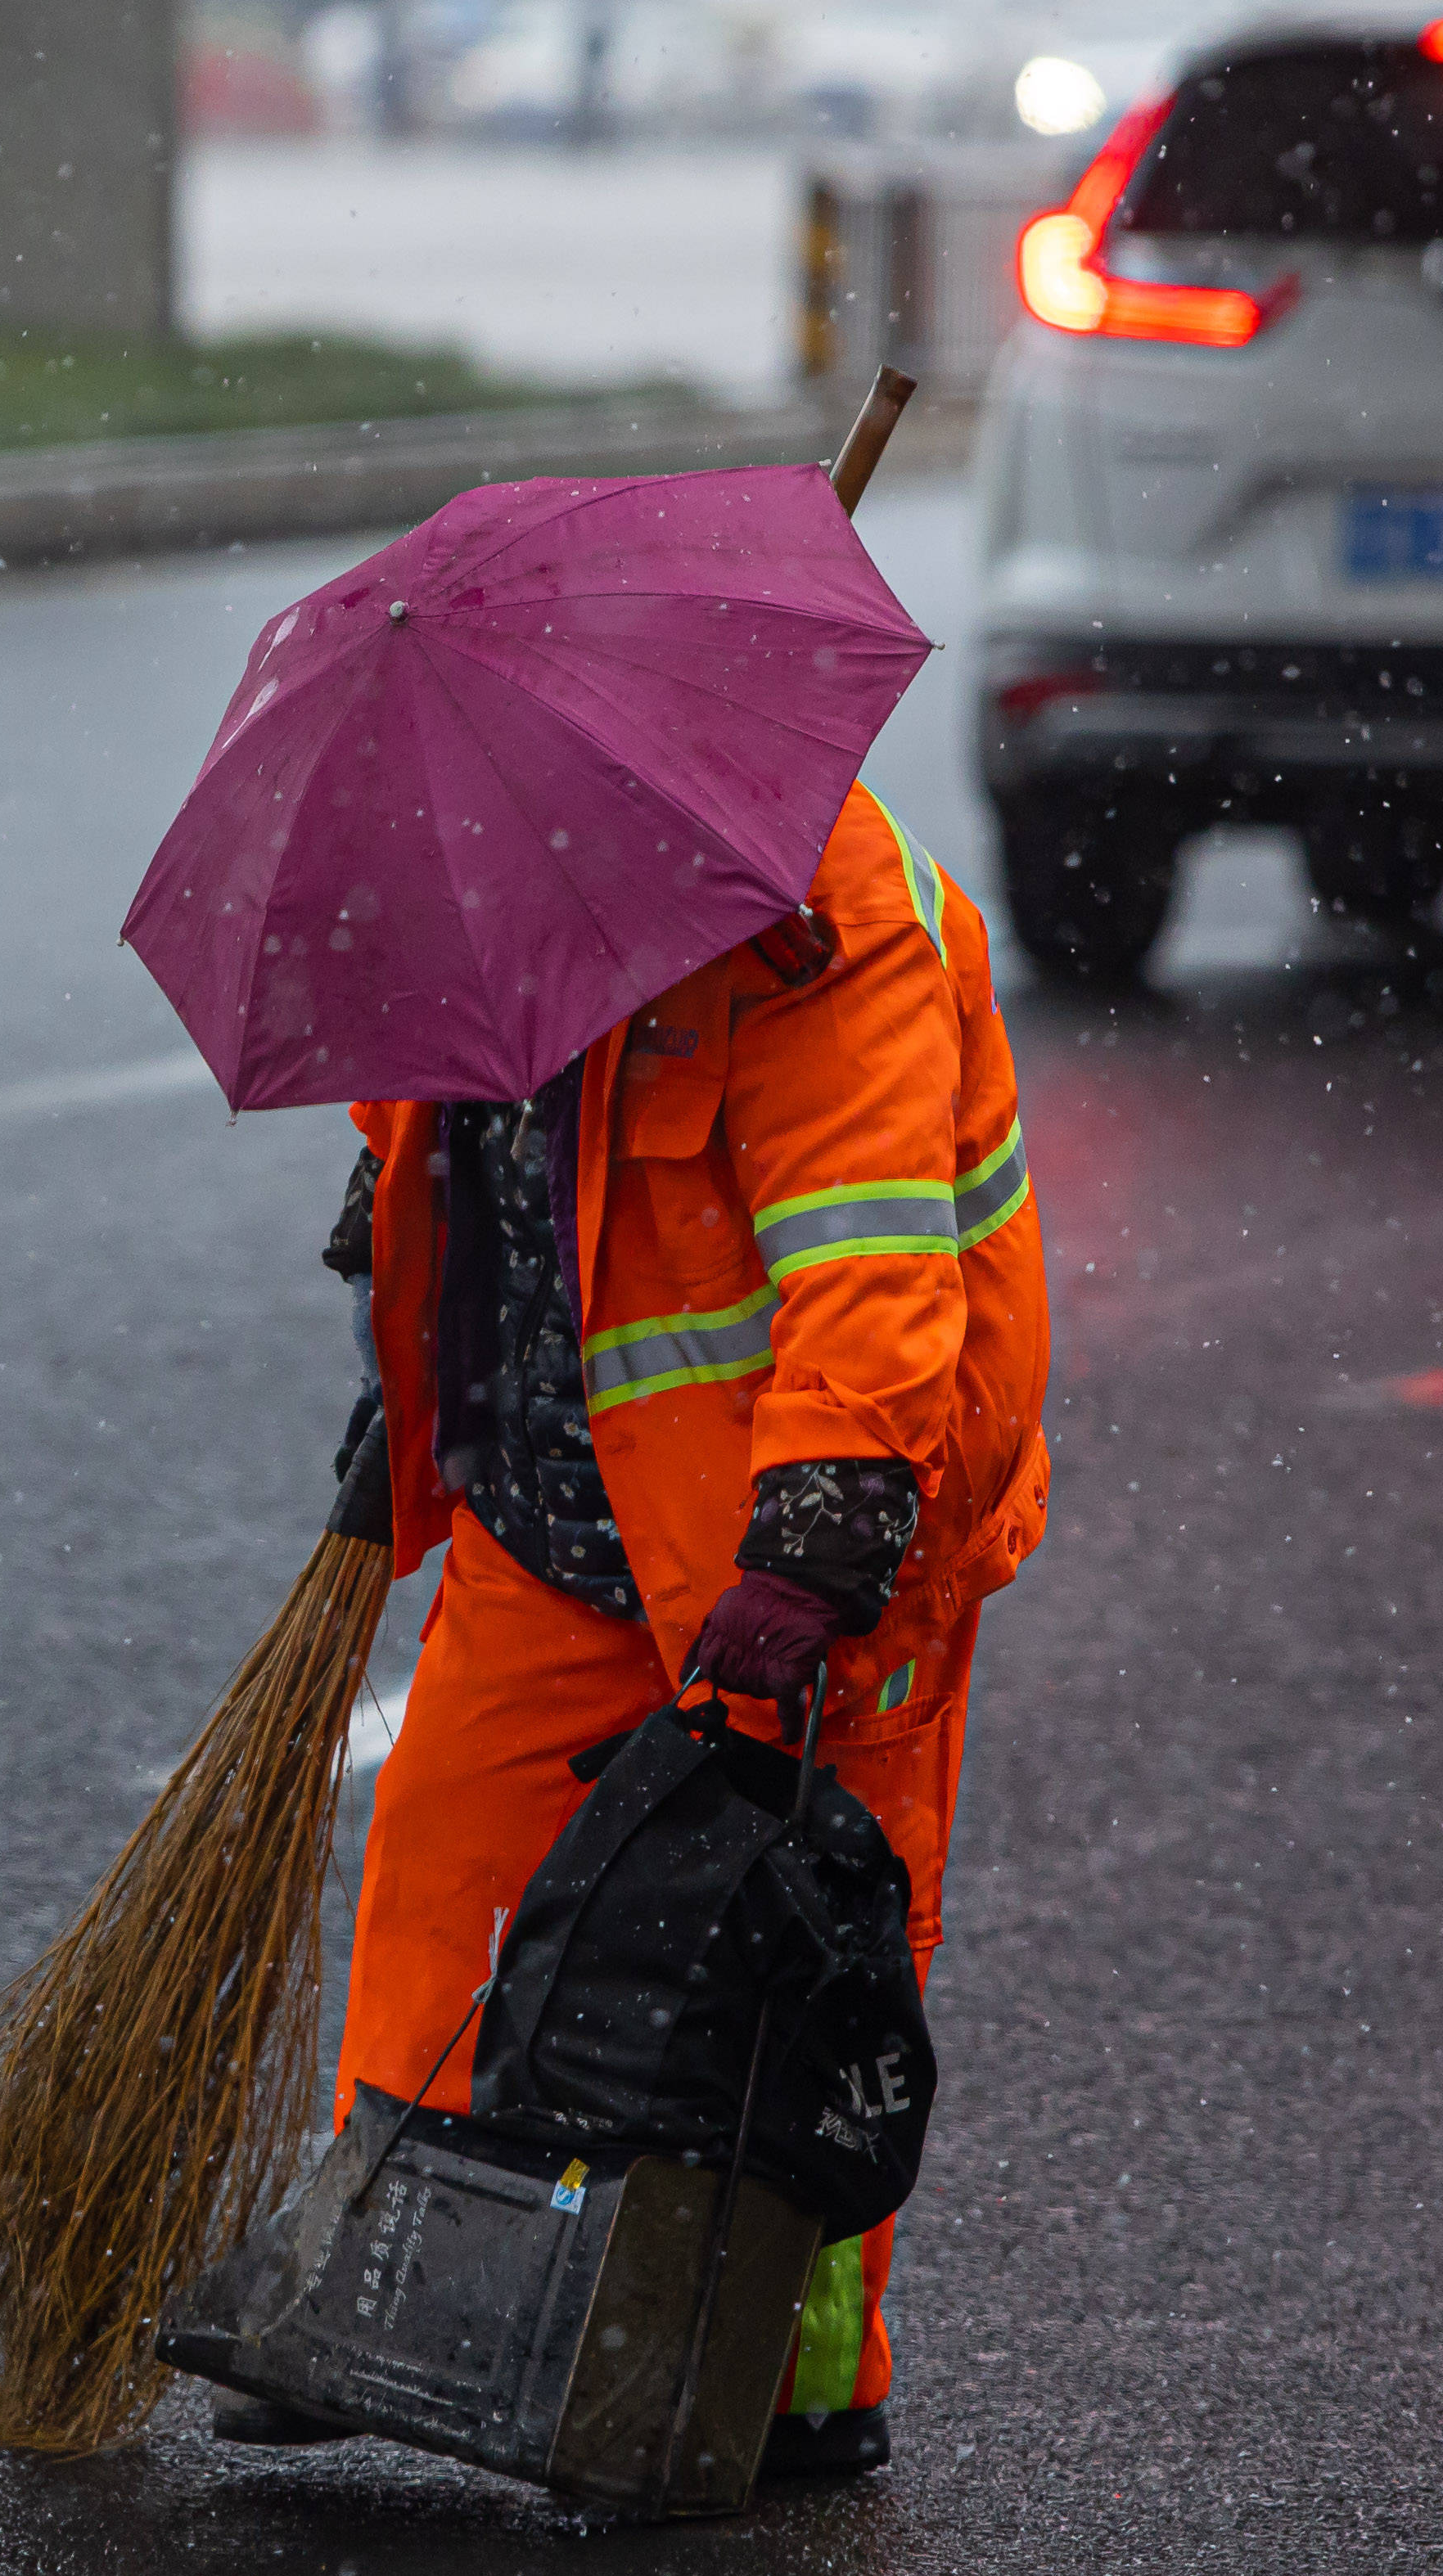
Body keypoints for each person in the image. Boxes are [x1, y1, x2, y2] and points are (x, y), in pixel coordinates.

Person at [232, 781, 1052, 2484]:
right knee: (438, 1897)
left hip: (794, 1554)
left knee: (788, 1971)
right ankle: (387, 2303)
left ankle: (791, 2375)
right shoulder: (474, 870)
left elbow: (873, 1248)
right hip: (558, 1519)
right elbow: (429, 1155)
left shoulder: (829, 919)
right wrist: (407, 1350)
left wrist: (821, 1539)